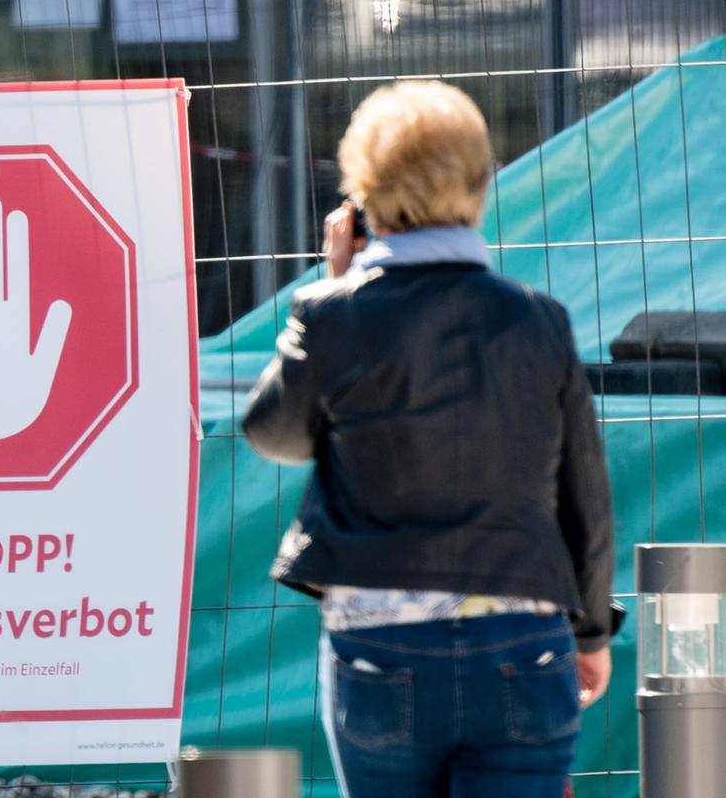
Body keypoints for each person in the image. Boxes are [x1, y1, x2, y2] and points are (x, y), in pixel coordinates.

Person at [242, 82, 615, 798]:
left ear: (363, 196)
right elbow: (585, 498)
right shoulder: (540, 321)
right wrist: (590, 634)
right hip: (521, 644)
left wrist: (333, 284)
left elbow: (276, 434)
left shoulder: (333, 315)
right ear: (479, 182)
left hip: (378, 648)